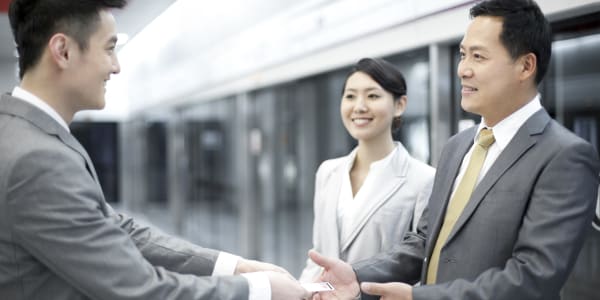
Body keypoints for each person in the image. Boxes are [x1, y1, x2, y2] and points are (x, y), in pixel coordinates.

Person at [0, 1, 310, 299]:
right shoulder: (37, 160)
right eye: (109, 48)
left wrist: (234, 267)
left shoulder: (23, 134)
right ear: (63, 51)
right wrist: (259, 290)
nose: (116, 66)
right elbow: (142, 290)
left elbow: (112, 228)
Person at [308, 0, 600, 299]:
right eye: (462, 55)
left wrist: (420, 297)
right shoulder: (458, 146)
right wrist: (356, 274)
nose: (463, 69)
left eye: (478, 56)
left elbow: (533, 277)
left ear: (525, 66)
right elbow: (424, 240)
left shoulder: (564, 156)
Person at [299, 58, 434, 282]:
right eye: (350, 96)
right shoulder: (328, 172)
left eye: (372, 96)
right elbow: (318, 256)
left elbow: (420, 264)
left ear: (399, 105)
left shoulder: (424, 180)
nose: (359, 106)